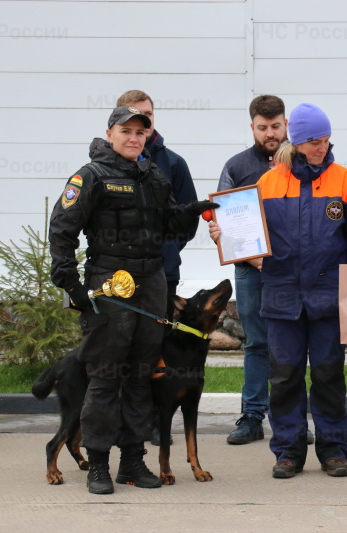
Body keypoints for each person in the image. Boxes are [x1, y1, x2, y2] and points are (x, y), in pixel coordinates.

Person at [49, 105, 215, 494]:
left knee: (141, 376)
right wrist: (70, 284)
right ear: (110, 133)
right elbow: (62, 230)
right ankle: (98, 465)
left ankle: (133, 461)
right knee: (106, 377)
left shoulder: (153, 174)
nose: (134, 138)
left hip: (152, 283)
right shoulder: (89, 177)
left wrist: (195, 211)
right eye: (126, 130)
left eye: (141, 132)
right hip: (110, 285)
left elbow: (171, 222)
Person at [210, 103, 347, 478]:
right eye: (315, 141)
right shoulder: (268, 183)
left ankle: (334, 450)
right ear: (297, 141)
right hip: (281, 297)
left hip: (329, 298)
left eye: (327, 140)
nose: (322, 147)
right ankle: (288, 450)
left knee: (330, 375)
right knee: (284, 377)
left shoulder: (345, 181)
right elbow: (245, 234)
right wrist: (227, 236)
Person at [214, 95, 312, 446]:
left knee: (293, 344)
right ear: (252, 126)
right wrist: (219, 233)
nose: (270, 134)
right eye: (262, 127)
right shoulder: (237, 167)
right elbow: (222, 220)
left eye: (276, 126)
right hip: (250, 271)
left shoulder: (304, 161)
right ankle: (252, 416)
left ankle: (294, 418)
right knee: (256, 343)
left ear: (286, 124)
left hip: (292, 271)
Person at [115, 90, 197, 320]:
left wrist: (167, 246)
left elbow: (188, 219)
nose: (145, 120)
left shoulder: (174, 164)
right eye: (137, 114)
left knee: (157, 343)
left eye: (148, 114)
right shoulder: (104, 166)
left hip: (163, 273)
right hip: (117, 273)